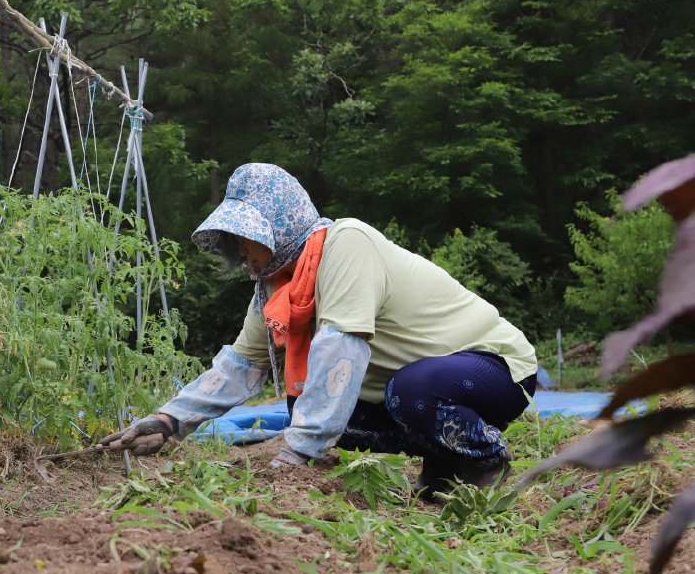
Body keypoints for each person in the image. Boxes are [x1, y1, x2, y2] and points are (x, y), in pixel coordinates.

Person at [100, 163, 538, 498]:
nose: (243, 252)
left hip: (495, 368)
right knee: (303, 407)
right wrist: (170, 419)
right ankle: (443, 463)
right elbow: (242, 364)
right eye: (236, 241)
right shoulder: (277, 286)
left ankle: (485, 460)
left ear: (279, 222)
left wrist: (295, 453)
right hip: (422, 386)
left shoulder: (347, 244)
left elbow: (340, 349)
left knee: (406, 389)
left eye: (246, 237)